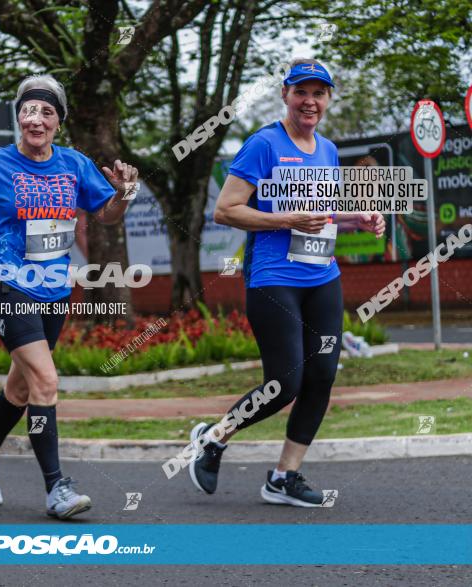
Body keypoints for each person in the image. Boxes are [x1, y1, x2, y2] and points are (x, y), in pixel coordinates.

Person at [0, 74, 138, 520]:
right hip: (6, 285)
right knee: (45, 380)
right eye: (29, 110)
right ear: (18, 117)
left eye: (46, 112)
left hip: (55, 291)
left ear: (58, 122)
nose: (36, 119)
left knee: (22, 386)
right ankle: (56, 488)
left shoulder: (74, 164)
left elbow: (106, 215)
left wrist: (123, 193)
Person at [190, 59, 385, 507]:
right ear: (286, 95)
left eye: (319, 93)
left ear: (328, 99)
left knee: (322, 376)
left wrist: (358, 218)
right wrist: (285, 219)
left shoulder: (327, 150)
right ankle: (214, 438)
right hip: (273, 278)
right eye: (302, 92)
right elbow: (226, 210)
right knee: (287, 381)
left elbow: (322, 215)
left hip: (323, 276)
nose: (310, 101)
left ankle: (284, 476)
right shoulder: (264, 144)